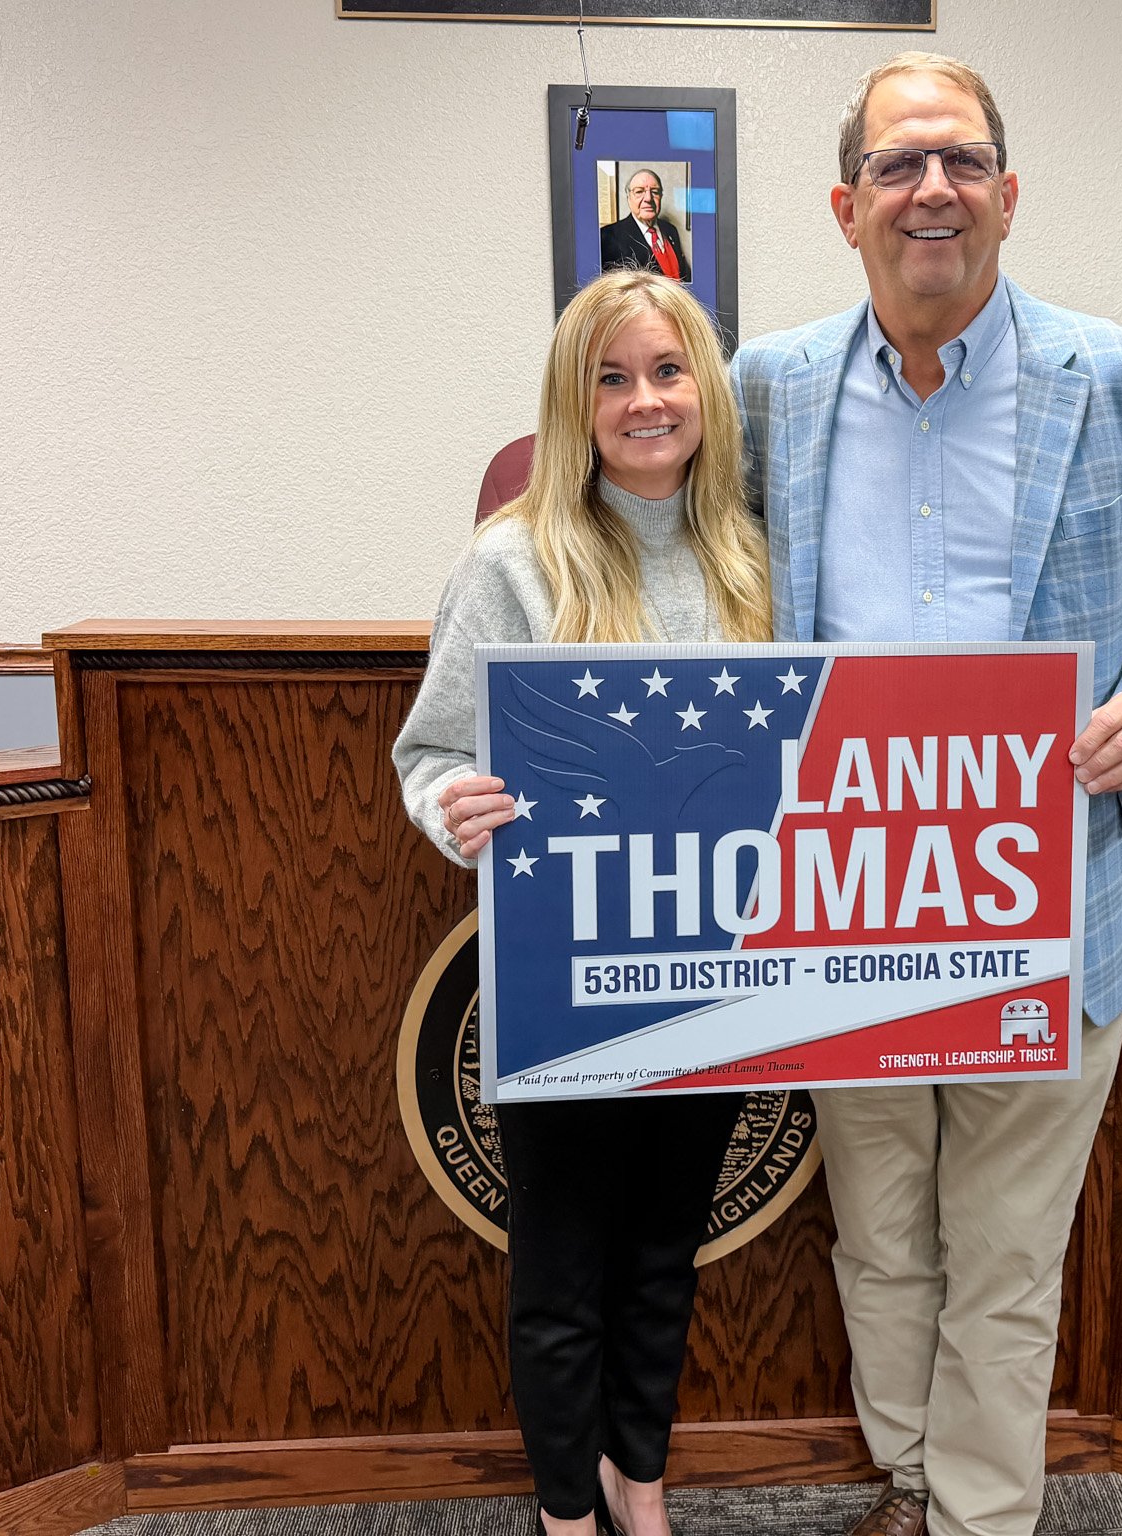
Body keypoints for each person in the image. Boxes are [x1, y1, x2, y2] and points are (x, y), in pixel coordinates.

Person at [730, 52, 1122, 1536]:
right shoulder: (770, 387)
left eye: (959, 162)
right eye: (897, 166)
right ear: (846, 206)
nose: (930, 189)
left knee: (1009, 1252)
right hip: (848, 895)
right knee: (881, 1240)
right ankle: (905, 1481)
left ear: (1008, 196)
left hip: (1055, 893)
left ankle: (978, 1522)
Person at [394, 268, 769, 1536]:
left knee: (664, 1255)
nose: (643, 400)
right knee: (560, 1273)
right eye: (610, 379)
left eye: (666, 372)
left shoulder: (754, 558)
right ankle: (566, 1510)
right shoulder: (510, 560)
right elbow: (428, 756)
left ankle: (638, 1482)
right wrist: (455, 810)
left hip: (716, 970)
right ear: (573, 405)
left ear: (705, 392)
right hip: (562, 979)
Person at [600, 168, 693, 284]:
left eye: (654, 192)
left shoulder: (671, 230)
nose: (648, 198)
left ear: (661, 196)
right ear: (629, 198)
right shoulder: (607, 236)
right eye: (639, 192)